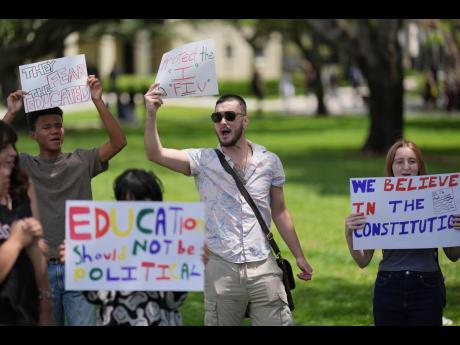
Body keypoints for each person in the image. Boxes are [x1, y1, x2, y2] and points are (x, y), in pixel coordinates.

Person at [143, 84, 313, 326]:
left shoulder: (269, 161)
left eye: (230, 116)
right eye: (217, 117)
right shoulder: (202, 160)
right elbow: (155, 153)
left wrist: (299, 256)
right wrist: (151, 113)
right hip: (221, 267)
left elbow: (280, 211)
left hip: (263, 266)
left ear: (245, 121)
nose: (223, 122)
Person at [3, 75, 127, 326]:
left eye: (58, 125)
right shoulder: (25, 164)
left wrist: (98, 101)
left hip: (79, 264)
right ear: (33, 134)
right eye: (47, 127)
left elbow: (118, 142)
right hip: (40, 269)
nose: (55, 131)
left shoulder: (81, 161)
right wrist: (11, 113)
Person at [345, 140, 460, 326]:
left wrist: (457, 232)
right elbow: (363, 260)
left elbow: (454, 255)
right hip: (388, 285)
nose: (406, 167)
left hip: (427, 286)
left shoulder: (439, 196)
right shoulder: (376, 198)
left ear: (420, 166)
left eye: (412, 161)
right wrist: (349, 235)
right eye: (399, 162)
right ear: (391, 167)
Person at [58, 169, 188, 326]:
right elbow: (96, 297)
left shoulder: (171, 243)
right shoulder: (106, 242)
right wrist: (77, 264)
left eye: (142, 204)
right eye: (128, 204)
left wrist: (188, 262)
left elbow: (174, 301)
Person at [0, 121, 54, 325]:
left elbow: (39, 252)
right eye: (3, 147)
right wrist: (15, 242)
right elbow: (17, 241)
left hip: (26, 313)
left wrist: (46, 307)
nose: (13, 153)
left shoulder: (22, 188)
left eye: (13, 145)